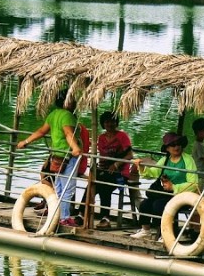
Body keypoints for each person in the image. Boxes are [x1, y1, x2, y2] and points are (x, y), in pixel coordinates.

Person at [17, 92, 83, 226]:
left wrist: (26, 141)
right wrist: (75, 148)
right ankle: (64, 218)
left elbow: (42, 131)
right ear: (66, 102)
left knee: (58, 187)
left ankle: (55, 214)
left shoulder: (53, 114)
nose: (75, 102)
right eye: (72, 99)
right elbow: (68, 134)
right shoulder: (67, 115)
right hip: (68, 156)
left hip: (56, 155)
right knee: (67, 188)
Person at [129, 131, 198, 239]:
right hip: (165, 194)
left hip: (181, 196)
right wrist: (141, 166)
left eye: (178, 143)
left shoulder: (188, 160)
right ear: (167, 148)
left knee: (159, 205)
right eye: (173, 145)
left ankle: (165, 235)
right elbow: (153, 172)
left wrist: (174, 187)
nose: (176, 147)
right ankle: (145, 230)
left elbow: (193, 183)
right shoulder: (165, 160)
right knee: (145, 204)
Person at [92, 110, 133, 229]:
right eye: (107, 122)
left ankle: (105, 218)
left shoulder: (122, 136)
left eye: (112, 122)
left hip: (120, 173)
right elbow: (102, 156)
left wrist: (116, 165)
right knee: (92, 183)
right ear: (103, 124)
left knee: (103, 185)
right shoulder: (101, 138)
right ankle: (82, 214)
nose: (110, 124)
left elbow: (130, 155)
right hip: (105, 170)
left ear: (116, 123)